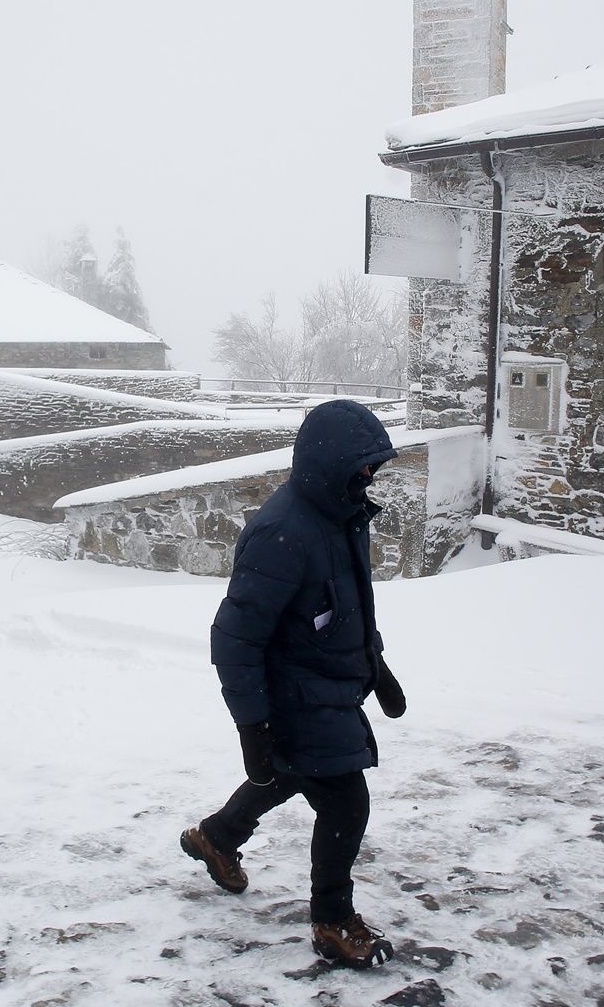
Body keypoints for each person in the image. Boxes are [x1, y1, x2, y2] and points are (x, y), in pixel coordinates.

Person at [180, 398, 409, 969]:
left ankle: (215, 837)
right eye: (360, 467)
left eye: (372, 468)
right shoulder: (283, 531)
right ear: (326, 464)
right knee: (345, 801)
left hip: (328, 687)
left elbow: (348, 604)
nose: (368, 477)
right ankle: (332, 919)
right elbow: (234, 637)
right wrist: (252, 726)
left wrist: (377, 668)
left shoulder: (341, 516)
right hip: (294, 694)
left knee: (288, 773)